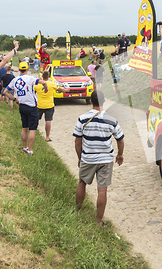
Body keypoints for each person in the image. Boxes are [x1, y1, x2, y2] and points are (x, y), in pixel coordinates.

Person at [74, 90, 124, 226]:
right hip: (106, 159)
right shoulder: (111, 120)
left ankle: (77, 211)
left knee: (82, 182)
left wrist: (80, 157)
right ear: (104, 102)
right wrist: (120, 154)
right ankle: (98, 221)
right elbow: (120, 140)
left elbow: (78, 142)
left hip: (88, 158)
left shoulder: (82, 119)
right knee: (102, 190)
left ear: (90, 101)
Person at [4, 61, 48, 156]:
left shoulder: (15, 80)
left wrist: (14, 99)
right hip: (31, 106)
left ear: (19, 70)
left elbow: (5, 91)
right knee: (32, 129)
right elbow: (43, 81)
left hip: (22, 105)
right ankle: (30, 150)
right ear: (27, 69)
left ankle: (25, 147)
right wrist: (45, 86)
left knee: (24, 127)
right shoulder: (31, 78)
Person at [34, 70, 70, 142]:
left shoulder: (37, 85)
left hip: (40, 105)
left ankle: (33, 133)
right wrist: (67, 90)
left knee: (36, 120)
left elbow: (33, 93)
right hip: (49, 105)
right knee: (48, 120)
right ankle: (47, 137)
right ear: (49, 76)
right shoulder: (52, 84)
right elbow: (60, 90)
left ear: (41, 76)